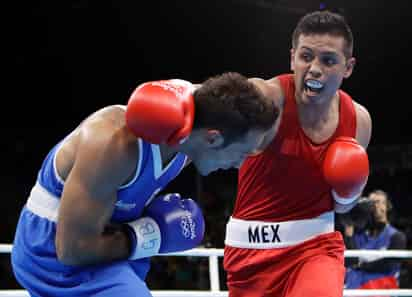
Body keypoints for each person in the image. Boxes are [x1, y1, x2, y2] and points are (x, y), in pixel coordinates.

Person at [11, 72, 279, 297]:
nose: (239, 165)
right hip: (52, 250)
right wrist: (149, 235)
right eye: (242, 153)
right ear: (212, 139)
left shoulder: (199, 126)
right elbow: (71, 250)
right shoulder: (114, 145)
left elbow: (244, 91)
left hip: (106, 239)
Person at [223, 10, 372, 297]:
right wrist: (179, 95)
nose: (315, 68)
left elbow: (341, 207)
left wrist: (351, 189)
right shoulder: (267, 99)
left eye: (328, 61)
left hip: (316, 249)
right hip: (250, 256)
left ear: (348, 67)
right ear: (292, 58)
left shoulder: (358, 121)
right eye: (306, 57)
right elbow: (214, 101)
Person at [343, 190, 407, 295]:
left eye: (377, 202)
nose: (374, 206)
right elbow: (349, 262)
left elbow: (389, 265)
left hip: (380, 289)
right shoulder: (357, 234)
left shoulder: (397, 237)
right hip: (353, 288)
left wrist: (360, 265)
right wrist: (349, 235)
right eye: (370, 203)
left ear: (387, 206)